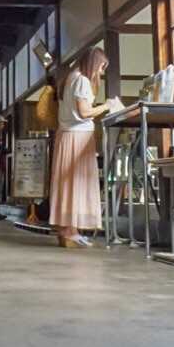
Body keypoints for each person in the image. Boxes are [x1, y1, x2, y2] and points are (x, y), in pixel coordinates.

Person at [50, 46, 121, 248]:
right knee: (78, 183)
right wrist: (107, 106)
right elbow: (84, 112)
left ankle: (67, 230)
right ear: (92, 63)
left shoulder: (69, 78)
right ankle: (71, 232)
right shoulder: (82, 80)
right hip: (79, 138)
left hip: (66, 136)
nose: (101, 72)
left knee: (67, 185)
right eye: (101, 67)